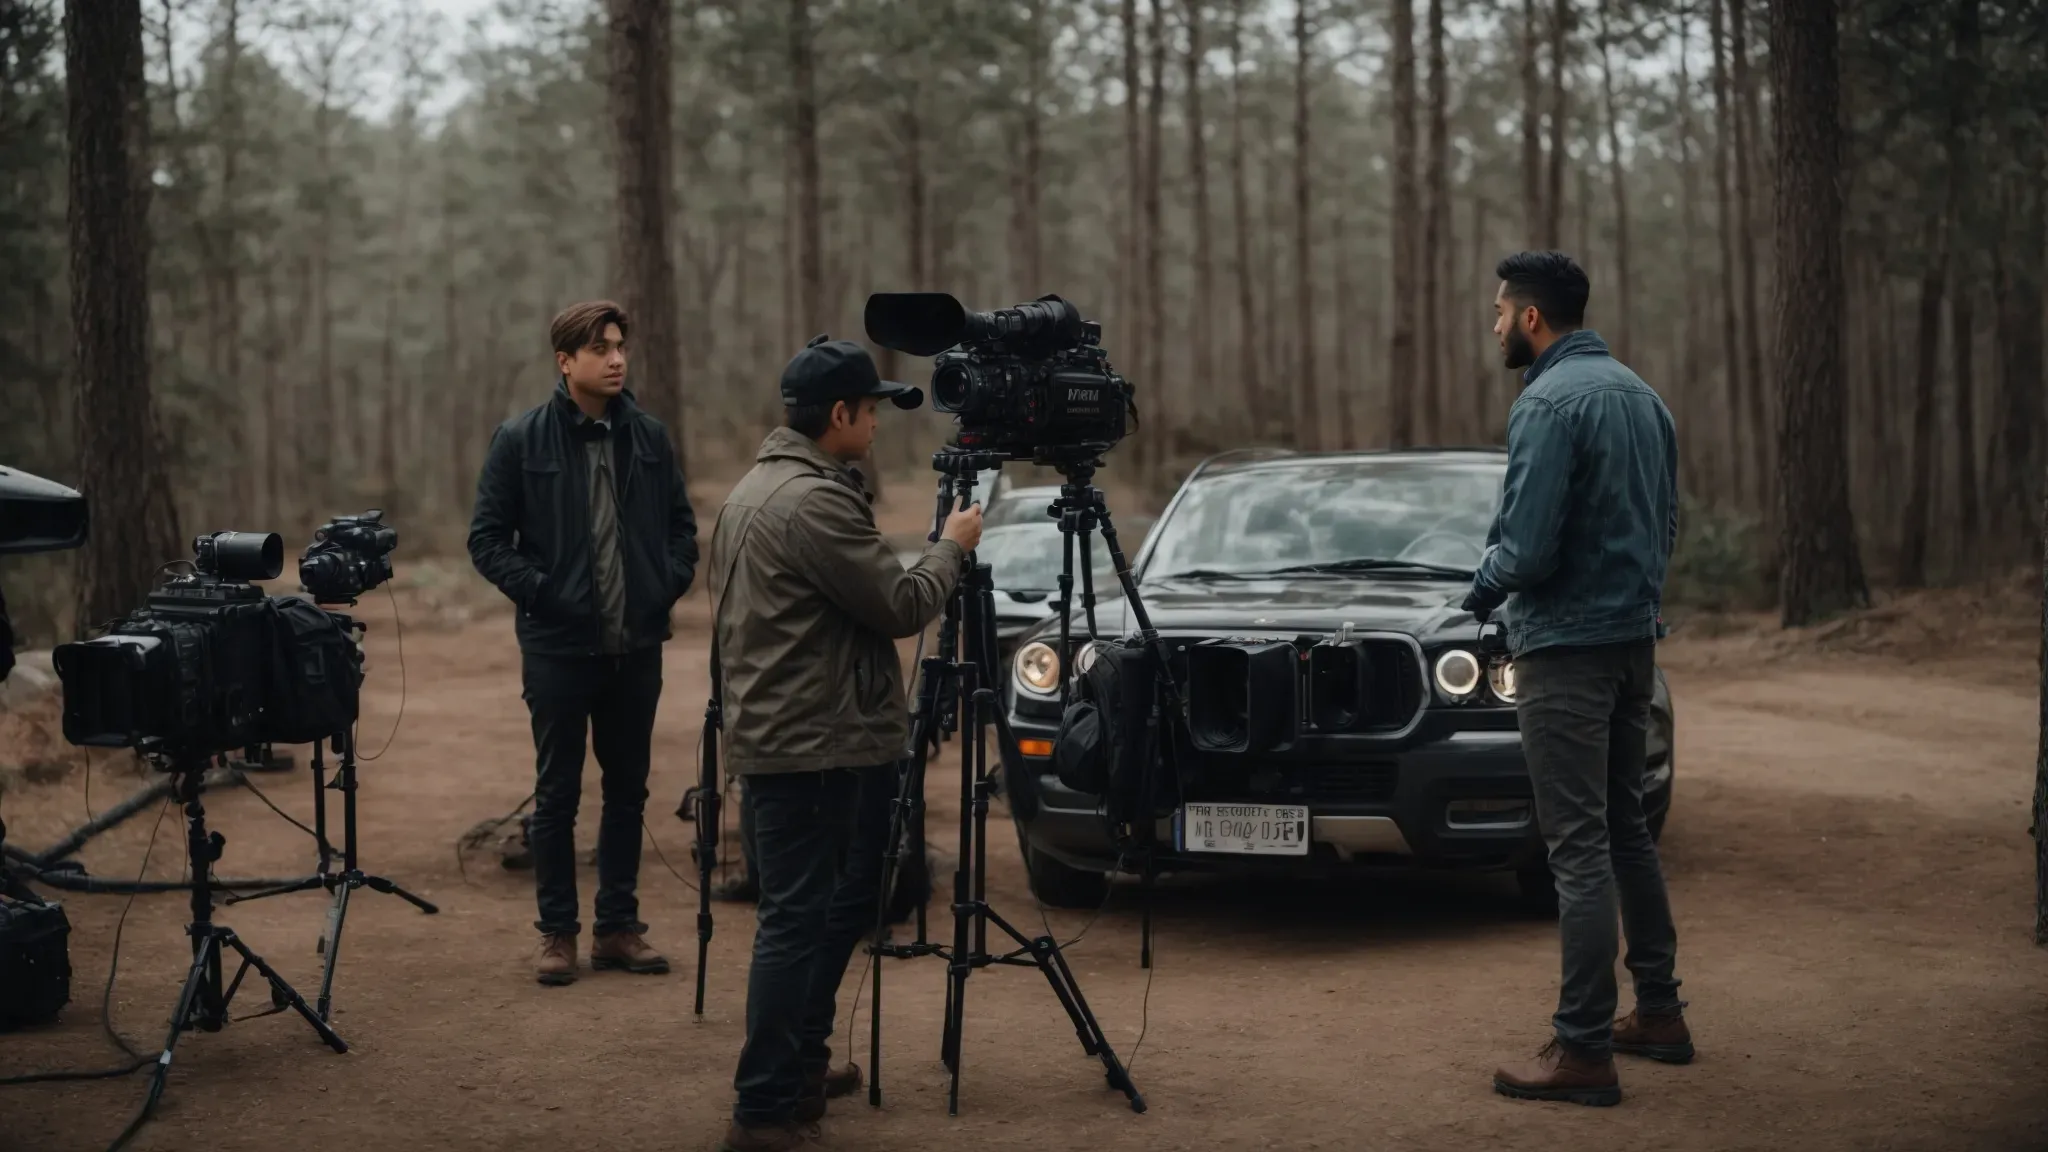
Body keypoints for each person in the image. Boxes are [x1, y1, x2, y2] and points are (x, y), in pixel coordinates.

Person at [708, 335, 981, 1152]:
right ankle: (763, 1109)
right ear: (838, 414)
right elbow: (901, 605)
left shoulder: (758, 486)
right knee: (797, 921)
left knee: (822, 910)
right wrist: (953, 547)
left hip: (800, 734)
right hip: (813, 745)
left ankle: (799, 1066)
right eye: (870, 410)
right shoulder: (815, 502)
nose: (877, 424)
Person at [1462, 251, 1690, 1106]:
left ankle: (1583, 1050)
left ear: (1531, 318)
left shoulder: (1547, 402)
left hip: (1564, 651)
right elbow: (1667, 523)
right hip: (1633, 645)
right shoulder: (1645, 397)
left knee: (1579, 846)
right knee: (1626, 832)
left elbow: (1524, 551)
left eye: (1499, 313)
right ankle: (1659, 1013)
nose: (1494, 327)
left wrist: (1479, 591)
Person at [467, 299, 700, 987]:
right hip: (558, 649)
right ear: (565, 361)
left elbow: (682, 530)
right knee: (557, 796)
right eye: (600, 348)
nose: (617, 359)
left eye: (620, 346)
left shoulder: (649, 437)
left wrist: (663, 585)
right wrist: (546, 593)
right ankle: (558, 933)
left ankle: (618, 928)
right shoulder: (521, 440)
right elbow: (487, 540)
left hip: (637, 646)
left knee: (627, 793)